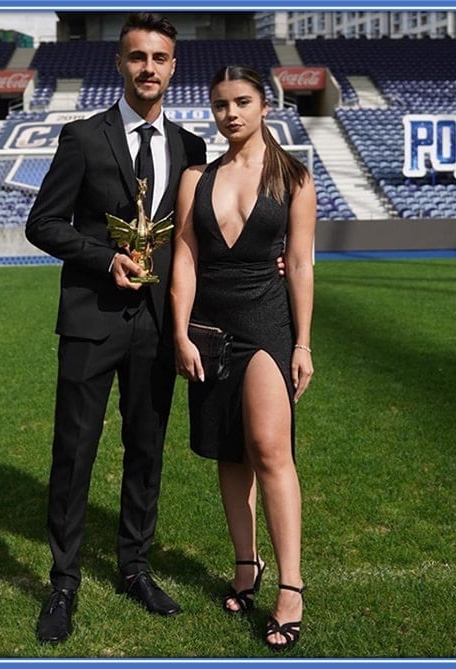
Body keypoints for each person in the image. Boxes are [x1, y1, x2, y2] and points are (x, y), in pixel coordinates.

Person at [25, 12, 207, 645]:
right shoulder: (81, 137)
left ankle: (134, 566)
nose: (148, 68)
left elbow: (193, 238)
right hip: (90, 319)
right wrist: (105, 259)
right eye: (137, 57)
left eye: (159, 58)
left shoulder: (191, 147)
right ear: (120, 64)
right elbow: (43, 224)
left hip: (158, 326)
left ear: (173, 66)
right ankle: (64, 581)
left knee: (147, 449)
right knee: (74, 453)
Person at [170, 65, 316, 652]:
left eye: (242, 102)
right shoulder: (194, 178)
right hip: (208, 324)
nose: (230, 113)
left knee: (269, 449)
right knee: (227, 452)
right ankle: (244, 565)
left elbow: (301, 263)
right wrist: (179, 333)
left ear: (264, 106)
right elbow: (184, 259)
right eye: (220, 104)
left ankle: (290, 587)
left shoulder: (294, 178)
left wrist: (302, 342)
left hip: (266, 322)